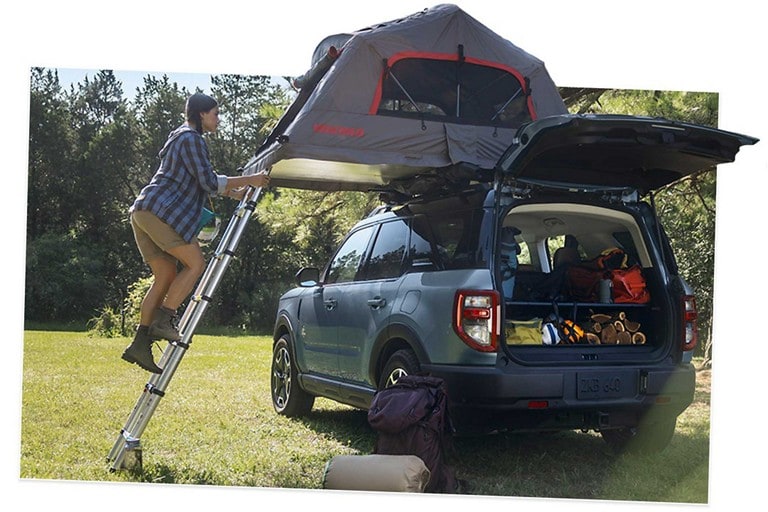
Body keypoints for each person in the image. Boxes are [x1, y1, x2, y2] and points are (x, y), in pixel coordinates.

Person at [121, 92, 269, 373]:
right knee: (196, 263)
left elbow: (198, 183)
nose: (218, 119)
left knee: (165, 276)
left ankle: (140, 344)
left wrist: (235, 193)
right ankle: (165, 319)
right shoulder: (192, 138)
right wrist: (252, 179)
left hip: (143, 212)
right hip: (159, 212)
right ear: (201, 114)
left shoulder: (179, 136)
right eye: (215, 113)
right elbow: (209, 181)